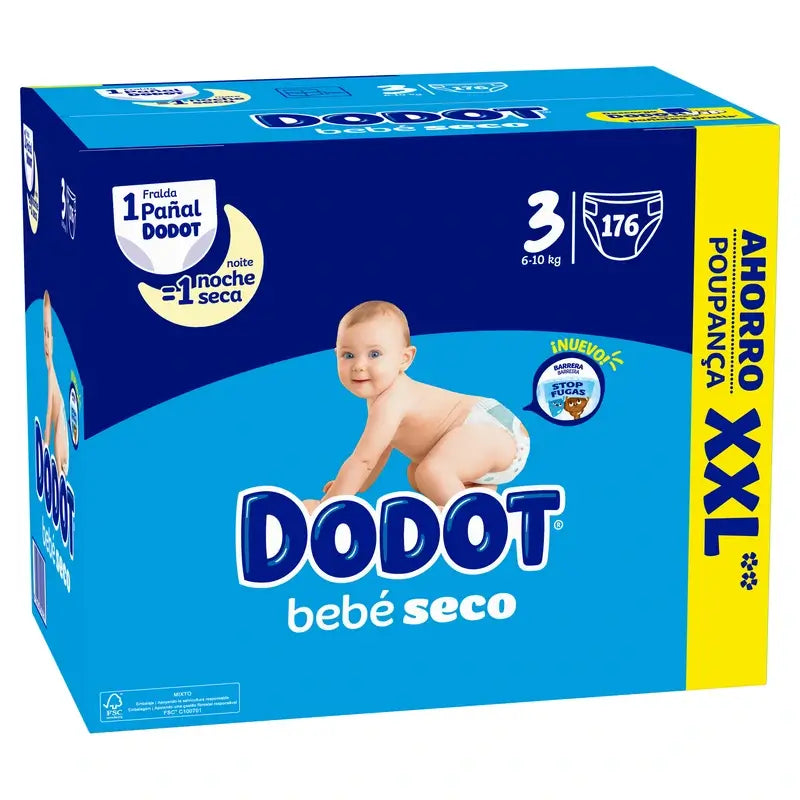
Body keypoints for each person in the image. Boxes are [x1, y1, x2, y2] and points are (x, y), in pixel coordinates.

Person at [303, 301, 529, 511]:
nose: (359, 365)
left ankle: (469, 517)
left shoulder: (393, 400)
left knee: (431, 472)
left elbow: (364, 460)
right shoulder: (382, 400)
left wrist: (327, 505)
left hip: (491, 429)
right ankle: (477, 497)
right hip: (483, 447)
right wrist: (349, 486)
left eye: (374, 354)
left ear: (405, 358)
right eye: (348, 355)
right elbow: (377, 453)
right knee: (416, 474)